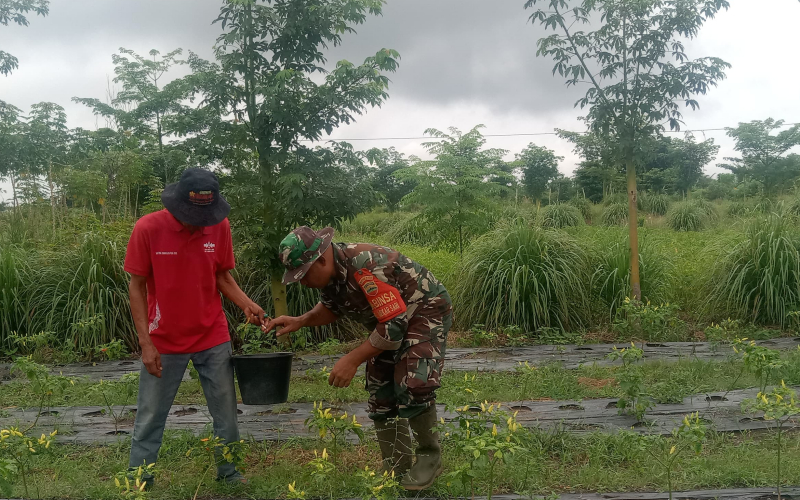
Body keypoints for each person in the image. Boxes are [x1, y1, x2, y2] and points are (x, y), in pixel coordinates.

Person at [264, 226, 452, 491]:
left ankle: (429, 457)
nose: (302, 282)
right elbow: (332, 307)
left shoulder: (367, 266)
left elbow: (394, 328)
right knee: (380, 386)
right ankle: (396, 462)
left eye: (303, 275)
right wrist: (300, 320)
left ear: (320, 260)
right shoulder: (332, 273)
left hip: (424, 310)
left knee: (414, 380)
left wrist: (352, 359)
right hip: (388, 320)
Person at [124, 168, 265, 487]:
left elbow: (222, 276)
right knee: (150, 414)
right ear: (176, 205)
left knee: (226, 412)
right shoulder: (148, 228)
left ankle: (229, 473)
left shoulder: (219, 226)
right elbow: (136, 286)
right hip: (164, 340)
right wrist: (146, 344)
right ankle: (139, 479)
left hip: (212, 335)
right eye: (192, 215)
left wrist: (246, 304)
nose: (201, 222)